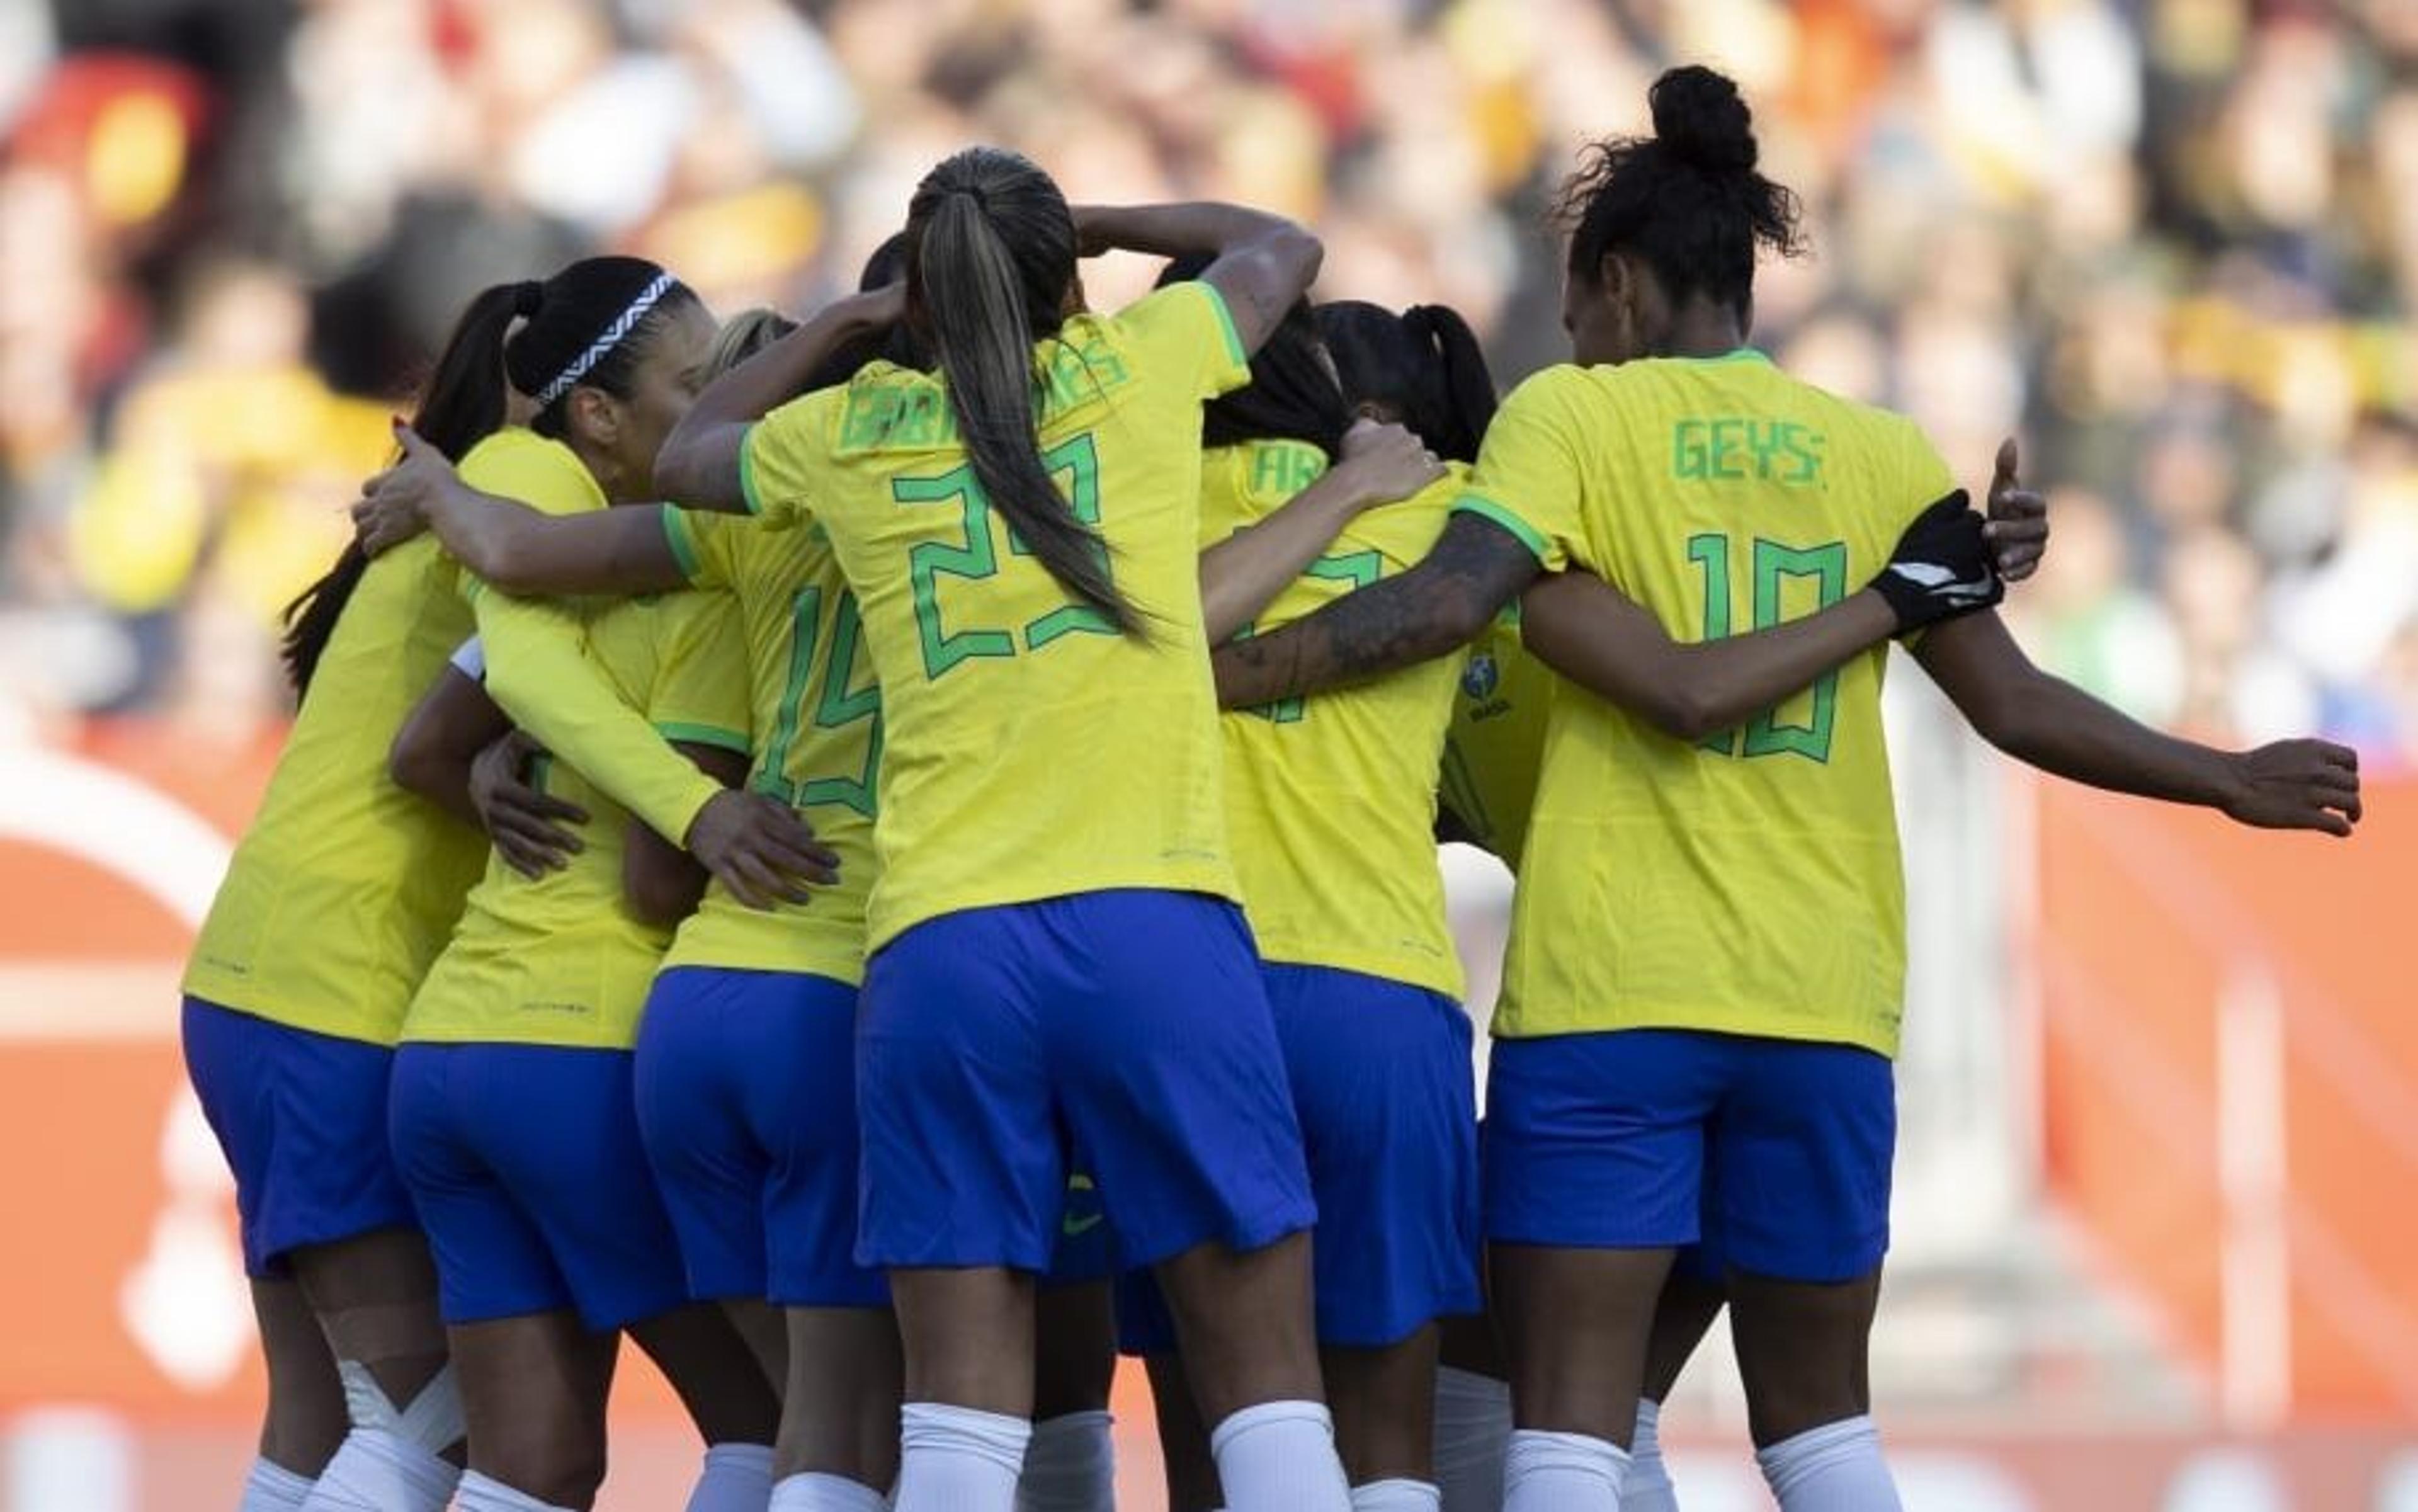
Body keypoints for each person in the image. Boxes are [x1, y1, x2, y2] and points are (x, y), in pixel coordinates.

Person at [1210, 65, 2363, 1512]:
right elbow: (2010, 704)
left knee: (1558, 1429)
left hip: (1618, 992)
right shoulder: (1878, 450)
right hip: (1825, 995)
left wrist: (1221, 672)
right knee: (1822, 1433)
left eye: (1576, 315)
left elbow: (1455, 609)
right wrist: (2222, 774)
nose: (1572, 342)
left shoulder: (1570, 421)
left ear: (1618, 287)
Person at [648, 148, 1355, 1512]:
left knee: (960, 1419)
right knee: (1259, 1373)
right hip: (1149, 919)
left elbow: (683, 457)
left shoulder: (854, 436)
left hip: (941, 945)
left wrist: (852, 321)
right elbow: (1280, 241)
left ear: (922, 291)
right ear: (1068, 278)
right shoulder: (1138, 366)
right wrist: (1098, 217)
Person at [179, 254, 817, 1512]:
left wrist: (468, 773)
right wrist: (699, 808)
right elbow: (518, 663)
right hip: (356, 993)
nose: (709, 421)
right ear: (593, 411)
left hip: (300, 985)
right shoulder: (526, 485)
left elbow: (434, 730)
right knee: (429, 1430)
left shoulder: (524, 507)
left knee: (363, 1421)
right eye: (688, 388)